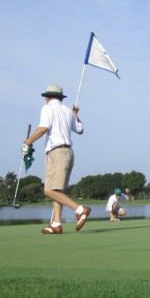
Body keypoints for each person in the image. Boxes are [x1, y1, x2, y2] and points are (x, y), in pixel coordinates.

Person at [22, 85, 91, 234]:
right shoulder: (68, 111)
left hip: (56, 153)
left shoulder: (47, 108)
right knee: (57, 190)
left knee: (49, 190)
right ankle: (56, 224)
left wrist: (27, 142)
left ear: (47, 97)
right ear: (61, 97)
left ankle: (80, 210)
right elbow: (80, 129)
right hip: (68, 153)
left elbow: (43, 128)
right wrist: (76, 114)